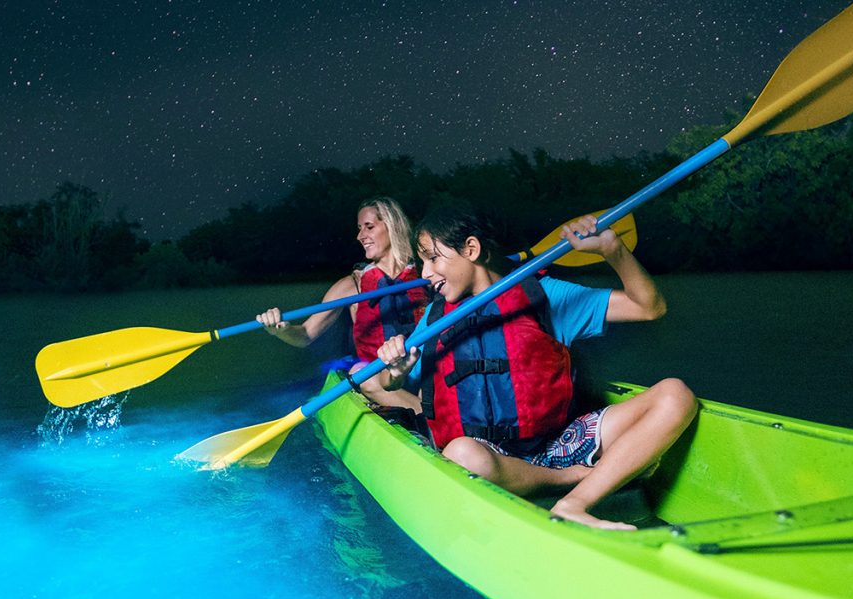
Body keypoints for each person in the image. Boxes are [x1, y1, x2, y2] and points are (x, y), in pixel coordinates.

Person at [376, 208, 697, 530]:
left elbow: (649, 307)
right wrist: (396, 371)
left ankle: (575, 503)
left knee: (675, 394)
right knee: (461, 454)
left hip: (557, 444)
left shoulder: (544, 296)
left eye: (433, 259)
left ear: (471, 249)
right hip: (491, 457)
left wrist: (613, 252)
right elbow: (388, 382)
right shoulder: (435, 318)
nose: (426, 274)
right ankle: (569, 479)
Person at [256, 196, 427, 411]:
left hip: (420, 367)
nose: (360, 236)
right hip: (381, 378)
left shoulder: (425, 275)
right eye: (359, 228)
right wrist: (280, 330)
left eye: (369, 227)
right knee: (360, 374)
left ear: (392, 226)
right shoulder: (352, 285)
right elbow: (306, 334)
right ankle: (429, 418)